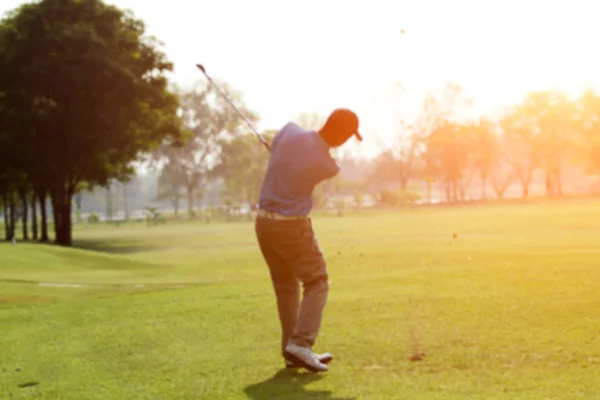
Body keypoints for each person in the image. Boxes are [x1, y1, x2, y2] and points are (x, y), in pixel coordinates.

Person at [254, 108, 362, 372]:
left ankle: (291, 350)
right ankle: (301, 344)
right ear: (343, 137)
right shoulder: (328, 165)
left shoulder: (288, 131)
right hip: (291, 227)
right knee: (317, 281)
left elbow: (285, 153)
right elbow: (308, 162)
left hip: (263, 224)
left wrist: (281, 154)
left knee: (286, 287)